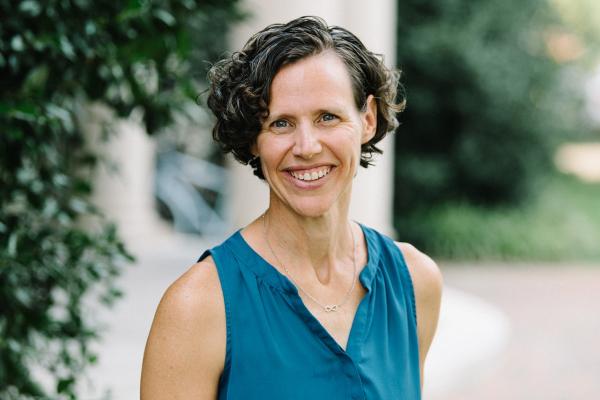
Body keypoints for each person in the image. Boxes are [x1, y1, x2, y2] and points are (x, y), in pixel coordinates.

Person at [141, 16, 442, 400]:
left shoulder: (415, 283)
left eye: (327, 117)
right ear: (254, 139)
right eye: (281, 124)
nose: (306, 146)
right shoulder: (198, 305)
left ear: (367, 119)